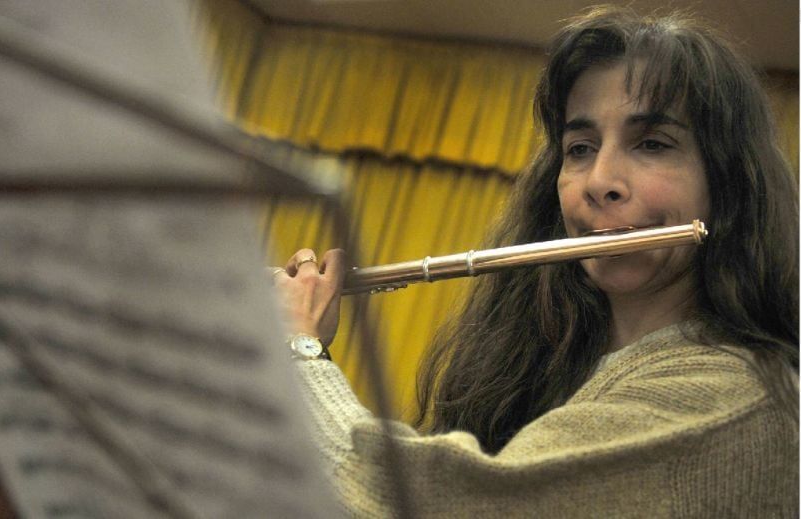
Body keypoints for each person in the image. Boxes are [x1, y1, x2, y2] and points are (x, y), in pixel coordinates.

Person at [273, 6, 799, 517]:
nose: (598, 182)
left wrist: (295, 354)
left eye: (653, 144)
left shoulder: (727, 394)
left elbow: (432, 506)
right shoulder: (564, 364)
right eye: (580, 147)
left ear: (728, 188)